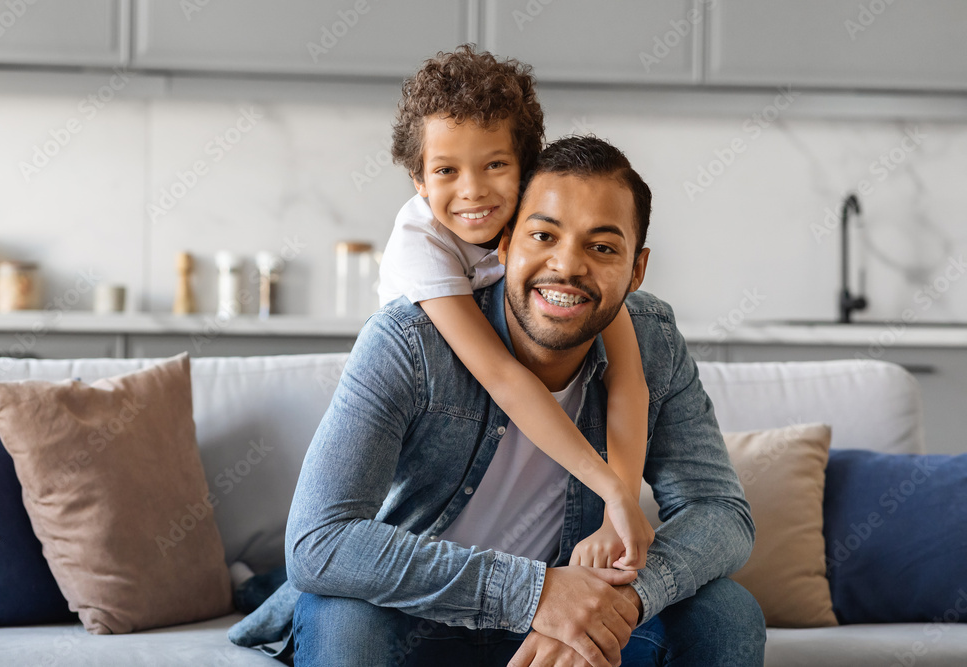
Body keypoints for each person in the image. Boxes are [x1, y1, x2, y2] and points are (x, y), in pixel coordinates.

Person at [274, 135, 766, 666]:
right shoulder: (409, 343)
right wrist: (536, 594)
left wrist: (616, 601)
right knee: (344, 618)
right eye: (543, 234)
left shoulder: (652, 343)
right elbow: (319, 541)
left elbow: (719, 510)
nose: (568, 266)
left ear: (637, 269)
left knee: (726, 613)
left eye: (602, 247)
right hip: (419, 617)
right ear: (504, 244)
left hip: (566, 634)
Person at [379, 45, 653, 572]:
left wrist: (617, 509)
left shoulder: (543, 238)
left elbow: (629, 380)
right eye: (445, 171)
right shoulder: (420, 244)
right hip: (428, 432)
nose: (473, 190)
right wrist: (607, 486)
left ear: (527, 170)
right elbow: (501, 376)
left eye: (496, 165)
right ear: (418, 181)